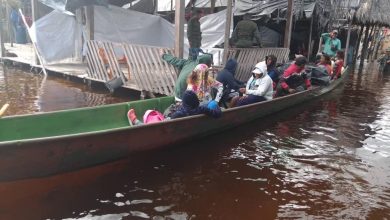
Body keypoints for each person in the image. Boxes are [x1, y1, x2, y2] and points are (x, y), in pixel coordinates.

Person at [127, 90, 222, 125]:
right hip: (184, 117)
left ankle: (135, 121)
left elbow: (166, 122)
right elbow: (217, 114)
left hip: (171, 121)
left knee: (152, 126)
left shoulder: (180, 113)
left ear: (184, 103)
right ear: (196, 101)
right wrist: (218, 107)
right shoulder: (201, 109)